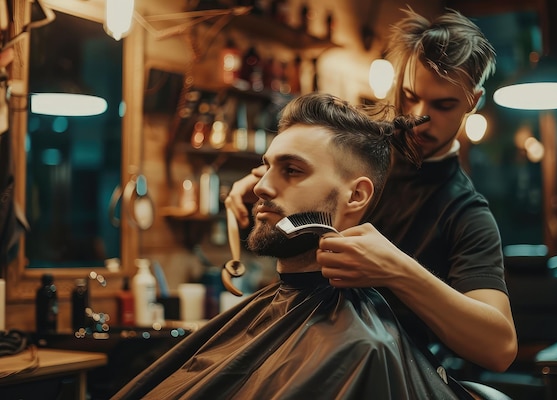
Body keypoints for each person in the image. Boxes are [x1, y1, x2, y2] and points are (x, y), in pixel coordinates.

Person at [112, 92, 477, 399]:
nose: (260, 187)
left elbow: (498, 346)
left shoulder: (362, 347)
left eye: (292, 170)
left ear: (356, 195)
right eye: (266, 166)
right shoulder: (283, 309)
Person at [225, 7, 517, 374]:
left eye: (443, 105)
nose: (419, 117)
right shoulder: (355, 156)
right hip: (306, 355)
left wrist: (398, 271)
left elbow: (500, 347)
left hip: (386, 375)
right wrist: (270, 178)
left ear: (472, 102)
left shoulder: (465, 213)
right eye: (409, 96)